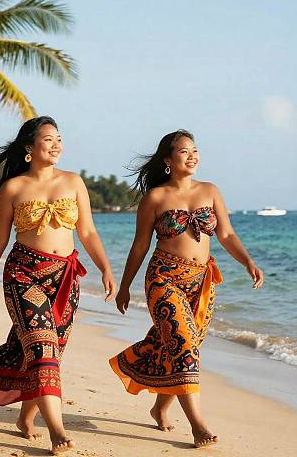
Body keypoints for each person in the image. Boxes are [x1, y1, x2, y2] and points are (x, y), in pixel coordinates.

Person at [0, 116, 116, 455]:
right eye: (48, 139)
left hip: (65, 279)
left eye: (59, 138)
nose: (57, 144)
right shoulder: (13, 189)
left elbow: (88, 232)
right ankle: (57, 430)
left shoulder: (74, 182)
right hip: (23, 275)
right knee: (43, 345)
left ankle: (26, 417)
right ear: (29, 149)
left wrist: (106, 268)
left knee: (50, 352)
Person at [110, 130, 264, 448]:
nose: (192, 155)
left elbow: (226, 235)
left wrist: (248, 261)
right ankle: (198, 426)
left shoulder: (210, 191)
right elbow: (139, 246)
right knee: (183, 345)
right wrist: (124, 286)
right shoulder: (155, 198)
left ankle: (159, 406)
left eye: (195, 150)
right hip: (163, 279)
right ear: (168, 160)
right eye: (184, 151)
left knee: (181, 348)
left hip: (201, 283)